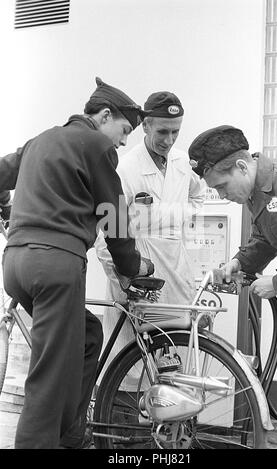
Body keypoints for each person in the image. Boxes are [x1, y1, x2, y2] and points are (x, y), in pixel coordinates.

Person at [0, 77, 154, 449]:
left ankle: (70, 436)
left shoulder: (40, 141)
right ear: (104, 116)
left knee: (87, 336)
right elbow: (113, 216)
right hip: (56, 268)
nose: (122, 141)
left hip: (16, 265)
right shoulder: (96, 146)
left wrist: (7, 214)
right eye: (124, 130)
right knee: (50, 373)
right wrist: (133, 267)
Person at [188, 124, 277, 449]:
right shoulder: (259, 194)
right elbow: (268, 237)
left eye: (222, 188)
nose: (223, 197)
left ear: (240, 166)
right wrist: (239, 263)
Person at [96, 90, 205, 364]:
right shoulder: (124, 168)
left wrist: (171, 215)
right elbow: (104, 235)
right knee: (130, 372)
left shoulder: (182, 163)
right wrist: (123, 278)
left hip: (176, 276)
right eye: (162, 132)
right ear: (145, 125)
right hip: (139, 280)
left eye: (175, 132)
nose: (168, 140)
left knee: (175, 376)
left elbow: (198, 197)